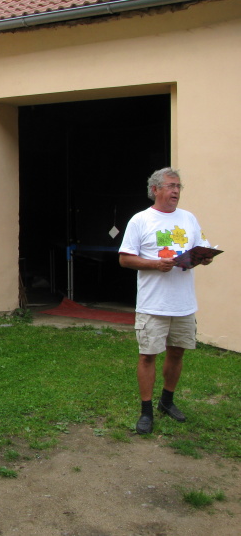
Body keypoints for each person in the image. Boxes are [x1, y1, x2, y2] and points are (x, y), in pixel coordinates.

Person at [119, 168, 214, 435]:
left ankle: (167, 401)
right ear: (155, 190)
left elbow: (202, 247)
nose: (176, 191)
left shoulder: (188, 218)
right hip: (153, 303)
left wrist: (205, 257)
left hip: (183, 303)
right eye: (171, 186)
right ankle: (146, 411)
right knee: (148, 355)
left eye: (178, 187)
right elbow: (125, 259)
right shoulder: (140, 220)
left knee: (177, 352)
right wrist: (155, 264)